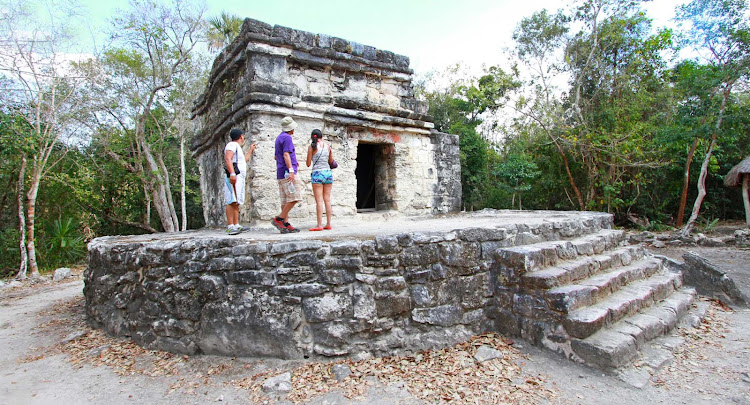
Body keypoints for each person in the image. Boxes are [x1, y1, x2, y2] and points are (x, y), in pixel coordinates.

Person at [272, 116, 303, 233]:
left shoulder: (279, 138)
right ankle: (279, 219)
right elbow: (286, 154)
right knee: (295, 197)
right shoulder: (287, 138)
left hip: (280, 171)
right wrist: (291, 169)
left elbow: (276, 156)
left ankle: (285, 223)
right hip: (287, 172)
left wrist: (291, 162)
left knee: (285, 200)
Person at [224, 128, 257, 235]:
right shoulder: (232, 145)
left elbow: (244, 160)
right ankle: (230, 226)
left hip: (239, 177)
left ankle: (236, 225)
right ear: (241, 136)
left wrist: (251, 150)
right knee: (231, 200)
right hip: (234, 176)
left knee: (236, 201)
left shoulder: (237, 147)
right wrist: (232, 173)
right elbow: (228, 158)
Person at [306, 129, 334, 231]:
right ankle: (329, 224)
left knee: (319, 201)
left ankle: (319, 225)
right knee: (327, 199)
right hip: (328, 173)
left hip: (317, 173)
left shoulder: (311, 147)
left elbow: (308, 164)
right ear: (321, 137)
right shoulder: (328, 146)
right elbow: (331, 161)